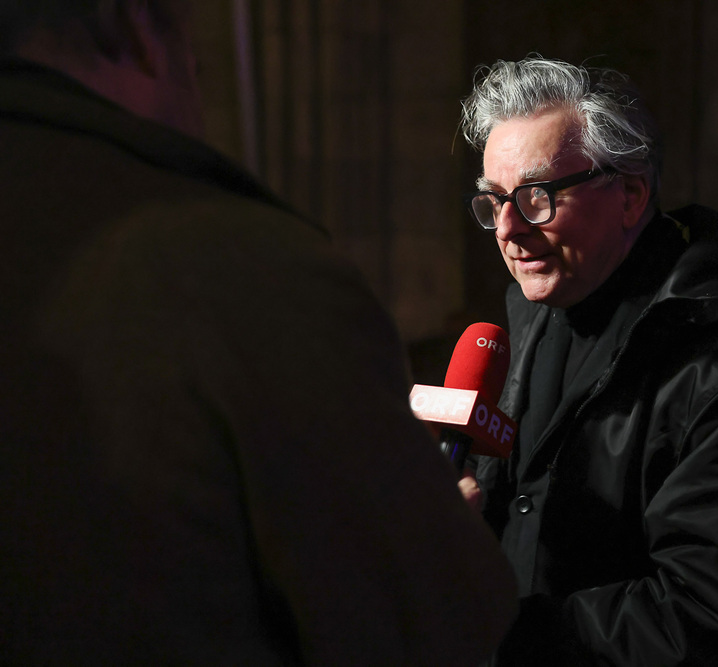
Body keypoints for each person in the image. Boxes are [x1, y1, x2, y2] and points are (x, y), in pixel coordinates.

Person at [0, 2, 517, 664]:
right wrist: (439, 534)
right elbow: (432, 613)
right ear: (138, 31)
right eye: (197, 66)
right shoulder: (233, 267)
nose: (510, 228)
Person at [458, 55, 718, 666]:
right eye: (494, 200)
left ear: (631, 195)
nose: (507, 228)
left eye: (535, 196)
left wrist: (505, 636)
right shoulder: (533, 321)